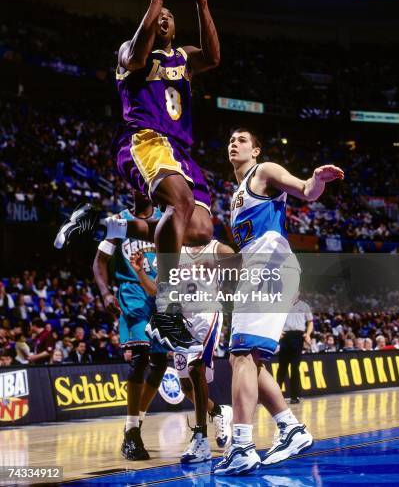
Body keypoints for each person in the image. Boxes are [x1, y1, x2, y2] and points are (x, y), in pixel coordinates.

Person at [55, 0, 220, 353]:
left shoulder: (185, 57)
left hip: (181, 152)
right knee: (179, 203)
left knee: (199, 230)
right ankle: (165, 311)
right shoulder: (130, 49)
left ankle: (102, 223)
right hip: (144, 139)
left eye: (168, 15)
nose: (164, 17)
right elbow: (135, 58)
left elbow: (214, 57)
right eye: (158, 14)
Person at [214, 128, 344, 475]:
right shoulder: (235, 196)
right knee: (250, 360)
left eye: (242, 140)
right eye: (231, 139)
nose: (234, 143)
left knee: (241, 356)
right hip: (261, 270)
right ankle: (291, 429)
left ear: (256, 151)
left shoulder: (264, 171)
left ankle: (241, 446)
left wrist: (316, 179)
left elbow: (304, 190)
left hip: (269, 268)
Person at [130, 237, 234, 464]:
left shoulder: (217, 248)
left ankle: (200, 438)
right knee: (186, 385)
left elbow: (243, 266)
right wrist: (140, 272)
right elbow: (156, 290)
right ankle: (218, 411)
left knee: (196, 370)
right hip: (180, 320)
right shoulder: (173, 252)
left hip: (207, 315)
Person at [93, 193, 168, 461]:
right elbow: (99, 262)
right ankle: (134, 432)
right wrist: (105, 293)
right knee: (140, 357)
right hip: (132, 292)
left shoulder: (165, 219)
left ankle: (133, 425)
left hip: (160, 292)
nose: (140, 186)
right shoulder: (119, 222)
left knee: (160, 362)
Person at [277, 293, 313, 403]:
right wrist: (278, 331)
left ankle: (294, 396)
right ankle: (276, 396)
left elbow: (310, 322)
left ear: (298, 293)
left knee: (294, 367)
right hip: (285, 336)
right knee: (282, 367)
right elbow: (275, 320)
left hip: (298, 337)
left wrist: (308, 334)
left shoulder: (304, 306)